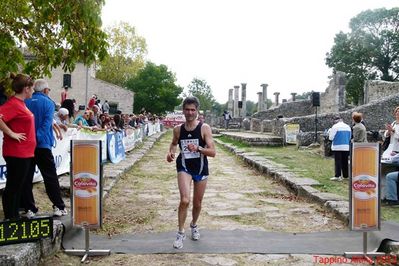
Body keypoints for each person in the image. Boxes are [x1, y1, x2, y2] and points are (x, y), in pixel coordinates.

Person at [166, 96, 216, 249]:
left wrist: (199, 148)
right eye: (187, 109)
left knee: (197, 203)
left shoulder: (204, 128)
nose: (189, 113)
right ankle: (180, 233)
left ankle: (194, 225)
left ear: (197, 111)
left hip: (201, 168)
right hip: (184, 166)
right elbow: (174, 144)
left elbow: (213, 152)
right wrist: (170, 153)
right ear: (183, 110)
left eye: (192, 110)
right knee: (185, 200)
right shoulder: (178, 129)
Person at [24, 79, 67, 218]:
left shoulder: (26, 101)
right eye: (48, 90)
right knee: (50, 177)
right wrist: (36, 139)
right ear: (45, 90)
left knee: (27, 177)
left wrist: (30, 140)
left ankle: (29, 208)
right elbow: (46, 124)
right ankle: (58, 206)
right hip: (42, 145)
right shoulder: (48, 103)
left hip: (27, 145)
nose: (49, 92)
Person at [0, 73, 36, 220]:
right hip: (16, 152)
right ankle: (10, 217)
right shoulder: (13, 104)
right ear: (26, 89)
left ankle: (14, 215)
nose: (33, 91)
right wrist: (11, 133)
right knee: (13, 186)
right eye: (32, 88)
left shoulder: (21, 104)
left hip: (25, 152)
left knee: (19, 185)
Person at [328, 115, 351, 181]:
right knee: (345, 161)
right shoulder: (348, 127)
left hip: (337, 146)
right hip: (346, 146)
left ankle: (337, 176)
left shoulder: (335, 126)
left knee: (338, 161)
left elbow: (331, 137)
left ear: (336, 120)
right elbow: (349, 137)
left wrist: (329, 132)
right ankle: (345, 175)